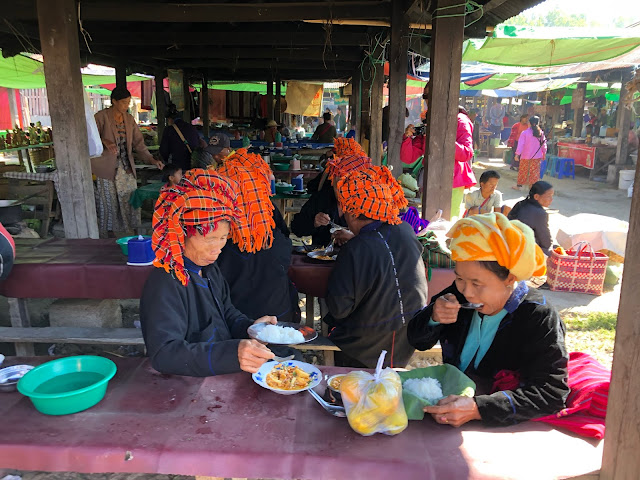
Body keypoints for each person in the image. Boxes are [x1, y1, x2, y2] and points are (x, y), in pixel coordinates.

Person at [408, 213, 568, 427]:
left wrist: (478, 408)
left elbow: (552, 393)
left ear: (510, 278)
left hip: (503, 429)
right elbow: (417, 340)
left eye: (477, 283)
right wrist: (434, 318)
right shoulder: (458, 293)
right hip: (449, 415)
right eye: (460, 278)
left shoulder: (537, 316)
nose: (467, 292)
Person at [140, 169, 281, 376]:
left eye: (223, 238)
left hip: (221, 376)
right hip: (183, 387)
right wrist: (232, 354)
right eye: (209, 239)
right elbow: (164, 353)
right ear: (182, 234)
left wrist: (253, 329)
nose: (218, 248)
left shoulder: (209, 269)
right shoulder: (165, 282)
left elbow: (227, 314)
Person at [324, 165, 429, 368]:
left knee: (333, 322)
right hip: (406, 342)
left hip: (364, 350)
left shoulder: (355, 250)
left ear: (353, 214)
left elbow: (339, 309)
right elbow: (384, 247)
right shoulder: (406, 231)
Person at [215, 150, 301, 323]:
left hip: (233, 320)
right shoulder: (267, 211)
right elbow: (284, 244)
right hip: (278, 317)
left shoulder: (218, 222)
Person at [93, 86, 164, 238]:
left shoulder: (129, 119)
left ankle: (129, 234)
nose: (127, 105)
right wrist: (105, 141)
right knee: (109, 204)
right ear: (114, 101)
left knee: (129, 200)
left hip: (126, 168)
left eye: (128, 102)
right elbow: (89, 138)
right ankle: (107, 237)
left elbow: (139, 144)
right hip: (106, 169)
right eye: (124, 102)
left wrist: (152, 160)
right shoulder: (101, 116)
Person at [291, 138, 369, 246]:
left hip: (356, 258)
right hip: (321, 257)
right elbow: (296, 227)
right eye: (337, 185)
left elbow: (379, 239)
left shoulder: (368, 204)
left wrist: (352, 237)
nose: (340, 191)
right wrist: (314, 222)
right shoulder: (323, 198)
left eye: (347, 185)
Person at [508, 181, 554, 256]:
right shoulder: (540, 213)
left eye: (552, 196)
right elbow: (546, 242)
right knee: (551, 252)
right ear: (536, 197)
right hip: (522, 250)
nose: (551, 199)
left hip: (509, 243)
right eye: (549, 196)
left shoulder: (521, 203)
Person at [451, 107, 477, 220]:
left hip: (454, 176)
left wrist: (446, 138)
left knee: (450, 219)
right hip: (434, 176)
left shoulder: (461, 120)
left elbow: (466, 153)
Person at [159, 103, 200, 172]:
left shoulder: (169, 130)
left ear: (170, 119)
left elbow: (164, 151)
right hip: (193, 163)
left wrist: (164, 161)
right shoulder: (191, 127)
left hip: (177, 165)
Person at [513, 116, 547, 191]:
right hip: (537, 156)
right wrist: (544, 153)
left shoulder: (525, 133)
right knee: (534, 172)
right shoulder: (540, 133)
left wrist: (517, 154)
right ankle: (532, 187)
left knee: (523, 171)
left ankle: (519, 186)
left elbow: (521, 144)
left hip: (525, 156)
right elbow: (544, 144)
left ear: (529, 123)